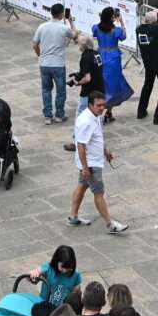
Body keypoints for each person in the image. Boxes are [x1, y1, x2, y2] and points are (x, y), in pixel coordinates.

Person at [67, 90, 129, 234]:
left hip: (93, 161)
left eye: (103, 105)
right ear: (90, 105)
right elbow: (81, 145)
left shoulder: (96, 116)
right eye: (99, 105)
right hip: (91, 164)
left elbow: (97, 136)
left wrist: (105, 151)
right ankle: (110, 224)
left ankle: (73, 217)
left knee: (82, 186)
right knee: (99, 193)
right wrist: (85, 168)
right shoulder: (86, 122)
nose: (102, 108)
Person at [32, 3, 74, 126]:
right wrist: (71, 22)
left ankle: (48, 116)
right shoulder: (64, 28)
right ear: (61, 14)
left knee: (46, 90)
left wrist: (40, 55)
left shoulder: (42, 27)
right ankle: (59, 115)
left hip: (44, 64)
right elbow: (75, 36)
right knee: (61, 91)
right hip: (58, 64)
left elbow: (34, 45)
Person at [91, 8, 132, 108]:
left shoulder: (96, 28)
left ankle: (103, 105)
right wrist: (121, 22)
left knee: (101, 80)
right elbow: (123, 37)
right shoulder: (116, 30)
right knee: (114, 81)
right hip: (113, 57)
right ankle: (109, 108)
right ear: (112, 18)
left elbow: (95, 32)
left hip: (100, 55)